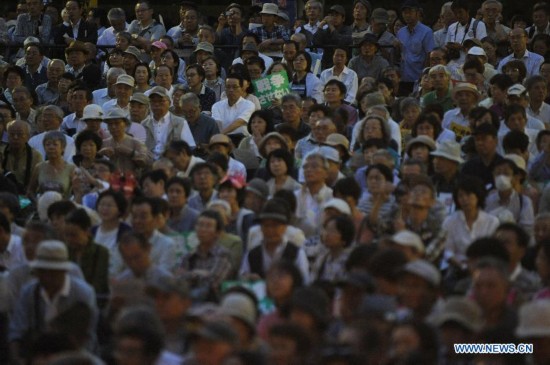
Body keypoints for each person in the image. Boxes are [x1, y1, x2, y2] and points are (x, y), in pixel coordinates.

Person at [8, 240, 97, 362]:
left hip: (72, 356)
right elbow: (16, 331)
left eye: (53, 273)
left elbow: (88, 338)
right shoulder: (29, 291)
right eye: (43, 272)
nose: (47, 277)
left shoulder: (83, 293)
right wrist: (18, 359)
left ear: (64, 271)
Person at [240, 199, 309, 282]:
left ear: (284, 227)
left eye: (275, 226)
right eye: (266, 225)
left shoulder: (297, 254)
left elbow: (304, 281)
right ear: (261, 228)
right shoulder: (252, 255)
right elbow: (242, 278)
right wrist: (248, 278)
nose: (270, 230)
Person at [443, 176, 500, 270]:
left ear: (478, 196)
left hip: (485, 268)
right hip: (458, 268)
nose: (464, 199)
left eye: (468, 194)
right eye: (460, 195)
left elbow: (493, 251)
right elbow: (448, 251)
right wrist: (462, 266)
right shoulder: (450, 221)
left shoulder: (492, 221)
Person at [178, 210, 234, 300]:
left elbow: (214, 283)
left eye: (208, 226)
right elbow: (179, 281)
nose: (202, 229)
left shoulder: (223, 254)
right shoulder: (189, 256)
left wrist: (190, 274)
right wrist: (201, 273)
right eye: (200, 225)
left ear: (218, 233)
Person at [396, 0, 435, 95]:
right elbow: (400, 54)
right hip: (403, 78)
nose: (407, 15)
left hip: (418, 78)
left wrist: (424, 76)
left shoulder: (426, 31)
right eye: (405, 12)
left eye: (410, 12)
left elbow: (429, 55)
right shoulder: (400, 32)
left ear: (418, 13)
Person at [27, 131, 76, 199]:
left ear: (63, 148)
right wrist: (37, 203)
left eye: (55, 144)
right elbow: (30, 191)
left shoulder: (71, 168)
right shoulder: (39, 167)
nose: (51, 147)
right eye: (48, 144)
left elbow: (77, 193)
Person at [1, 120, 43, 194]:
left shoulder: (36, 156)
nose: (15, 137)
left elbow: (37, 183)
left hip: (25, 196)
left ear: (28, 137)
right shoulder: (1, 152)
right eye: (12, 134)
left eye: (20, 134)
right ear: (7, 136)